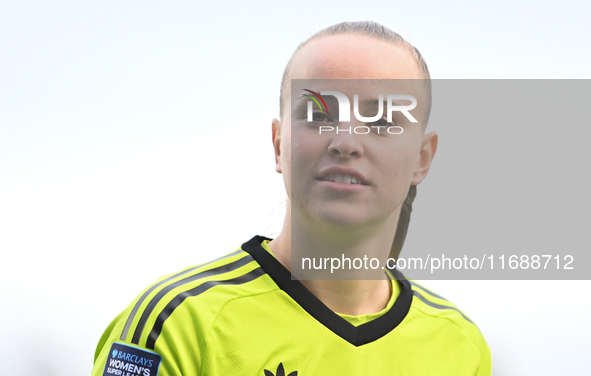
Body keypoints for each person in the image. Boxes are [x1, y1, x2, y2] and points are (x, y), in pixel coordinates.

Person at [91, 21, 491, 376]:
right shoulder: (176, 323)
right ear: (278, 144)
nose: (346, 142)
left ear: (422, 159)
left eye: (382, 120)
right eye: (319, 114)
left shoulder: (460, 345)